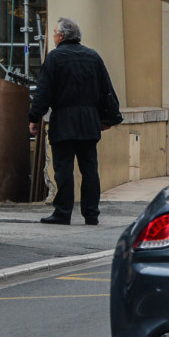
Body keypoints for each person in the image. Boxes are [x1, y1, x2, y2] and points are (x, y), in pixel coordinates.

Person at [29, 17, 122, 226]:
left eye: (54, 33)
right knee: (89, 169)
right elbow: (106, 90)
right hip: (89, 122)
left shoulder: (54, 58)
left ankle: (63, 212)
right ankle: (91, 213)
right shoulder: (93, 57)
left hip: (63, 121)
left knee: (63, 169)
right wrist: (109, 118)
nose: (52, 36)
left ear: (61, 36)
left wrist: (34, 117)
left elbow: (43, 93)